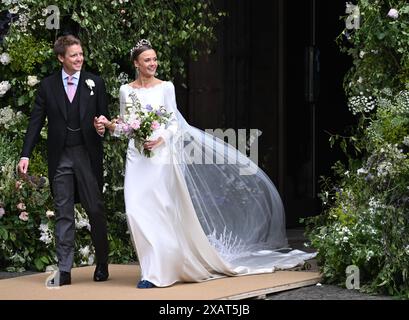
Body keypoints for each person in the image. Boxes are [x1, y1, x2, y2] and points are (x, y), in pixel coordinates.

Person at [98, 39, 315, 289]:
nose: (153, 64)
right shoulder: (127, 90)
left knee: (161, 210)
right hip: (137, 158)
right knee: (136, 211)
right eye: (147, 60)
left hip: (160, 156)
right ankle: (152, 267)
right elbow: (126, 126)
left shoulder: (166, 87)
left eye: (155, 59)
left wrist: (160, 139)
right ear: (136, 63)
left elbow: (173, 123)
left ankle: (155, 273)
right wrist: (110, 126)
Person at [18, 35, 110, 286]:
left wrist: (102, 127)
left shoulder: (96, 82)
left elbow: (106, 121)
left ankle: (102, 261)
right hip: (60, 157)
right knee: (63, 212)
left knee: (94, 209)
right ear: (61, 58)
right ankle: (65, 268)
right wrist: (25, 154)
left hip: (87, 154)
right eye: (74, 55)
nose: (80, 58)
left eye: (81, 54)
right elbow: (35, 122)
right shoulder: (48, 86)